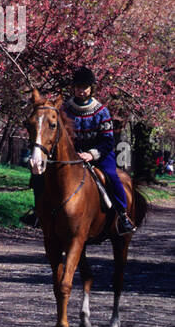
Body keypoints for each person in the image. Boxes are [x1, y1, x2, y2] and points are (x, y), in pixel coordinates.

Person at [22, 67, 135, 235]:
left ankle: (122, 215)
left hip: (99, 155)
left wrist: (91, 154)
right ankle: (39, 212)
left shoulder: (101, 111)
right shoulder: (65, 108)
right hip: (72, 155)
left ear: (91, 88)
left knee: (112, 176)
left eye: (85, 87)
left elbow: (107, 141)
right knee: (39, 176)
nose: (81, 91)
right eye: (78, 87)